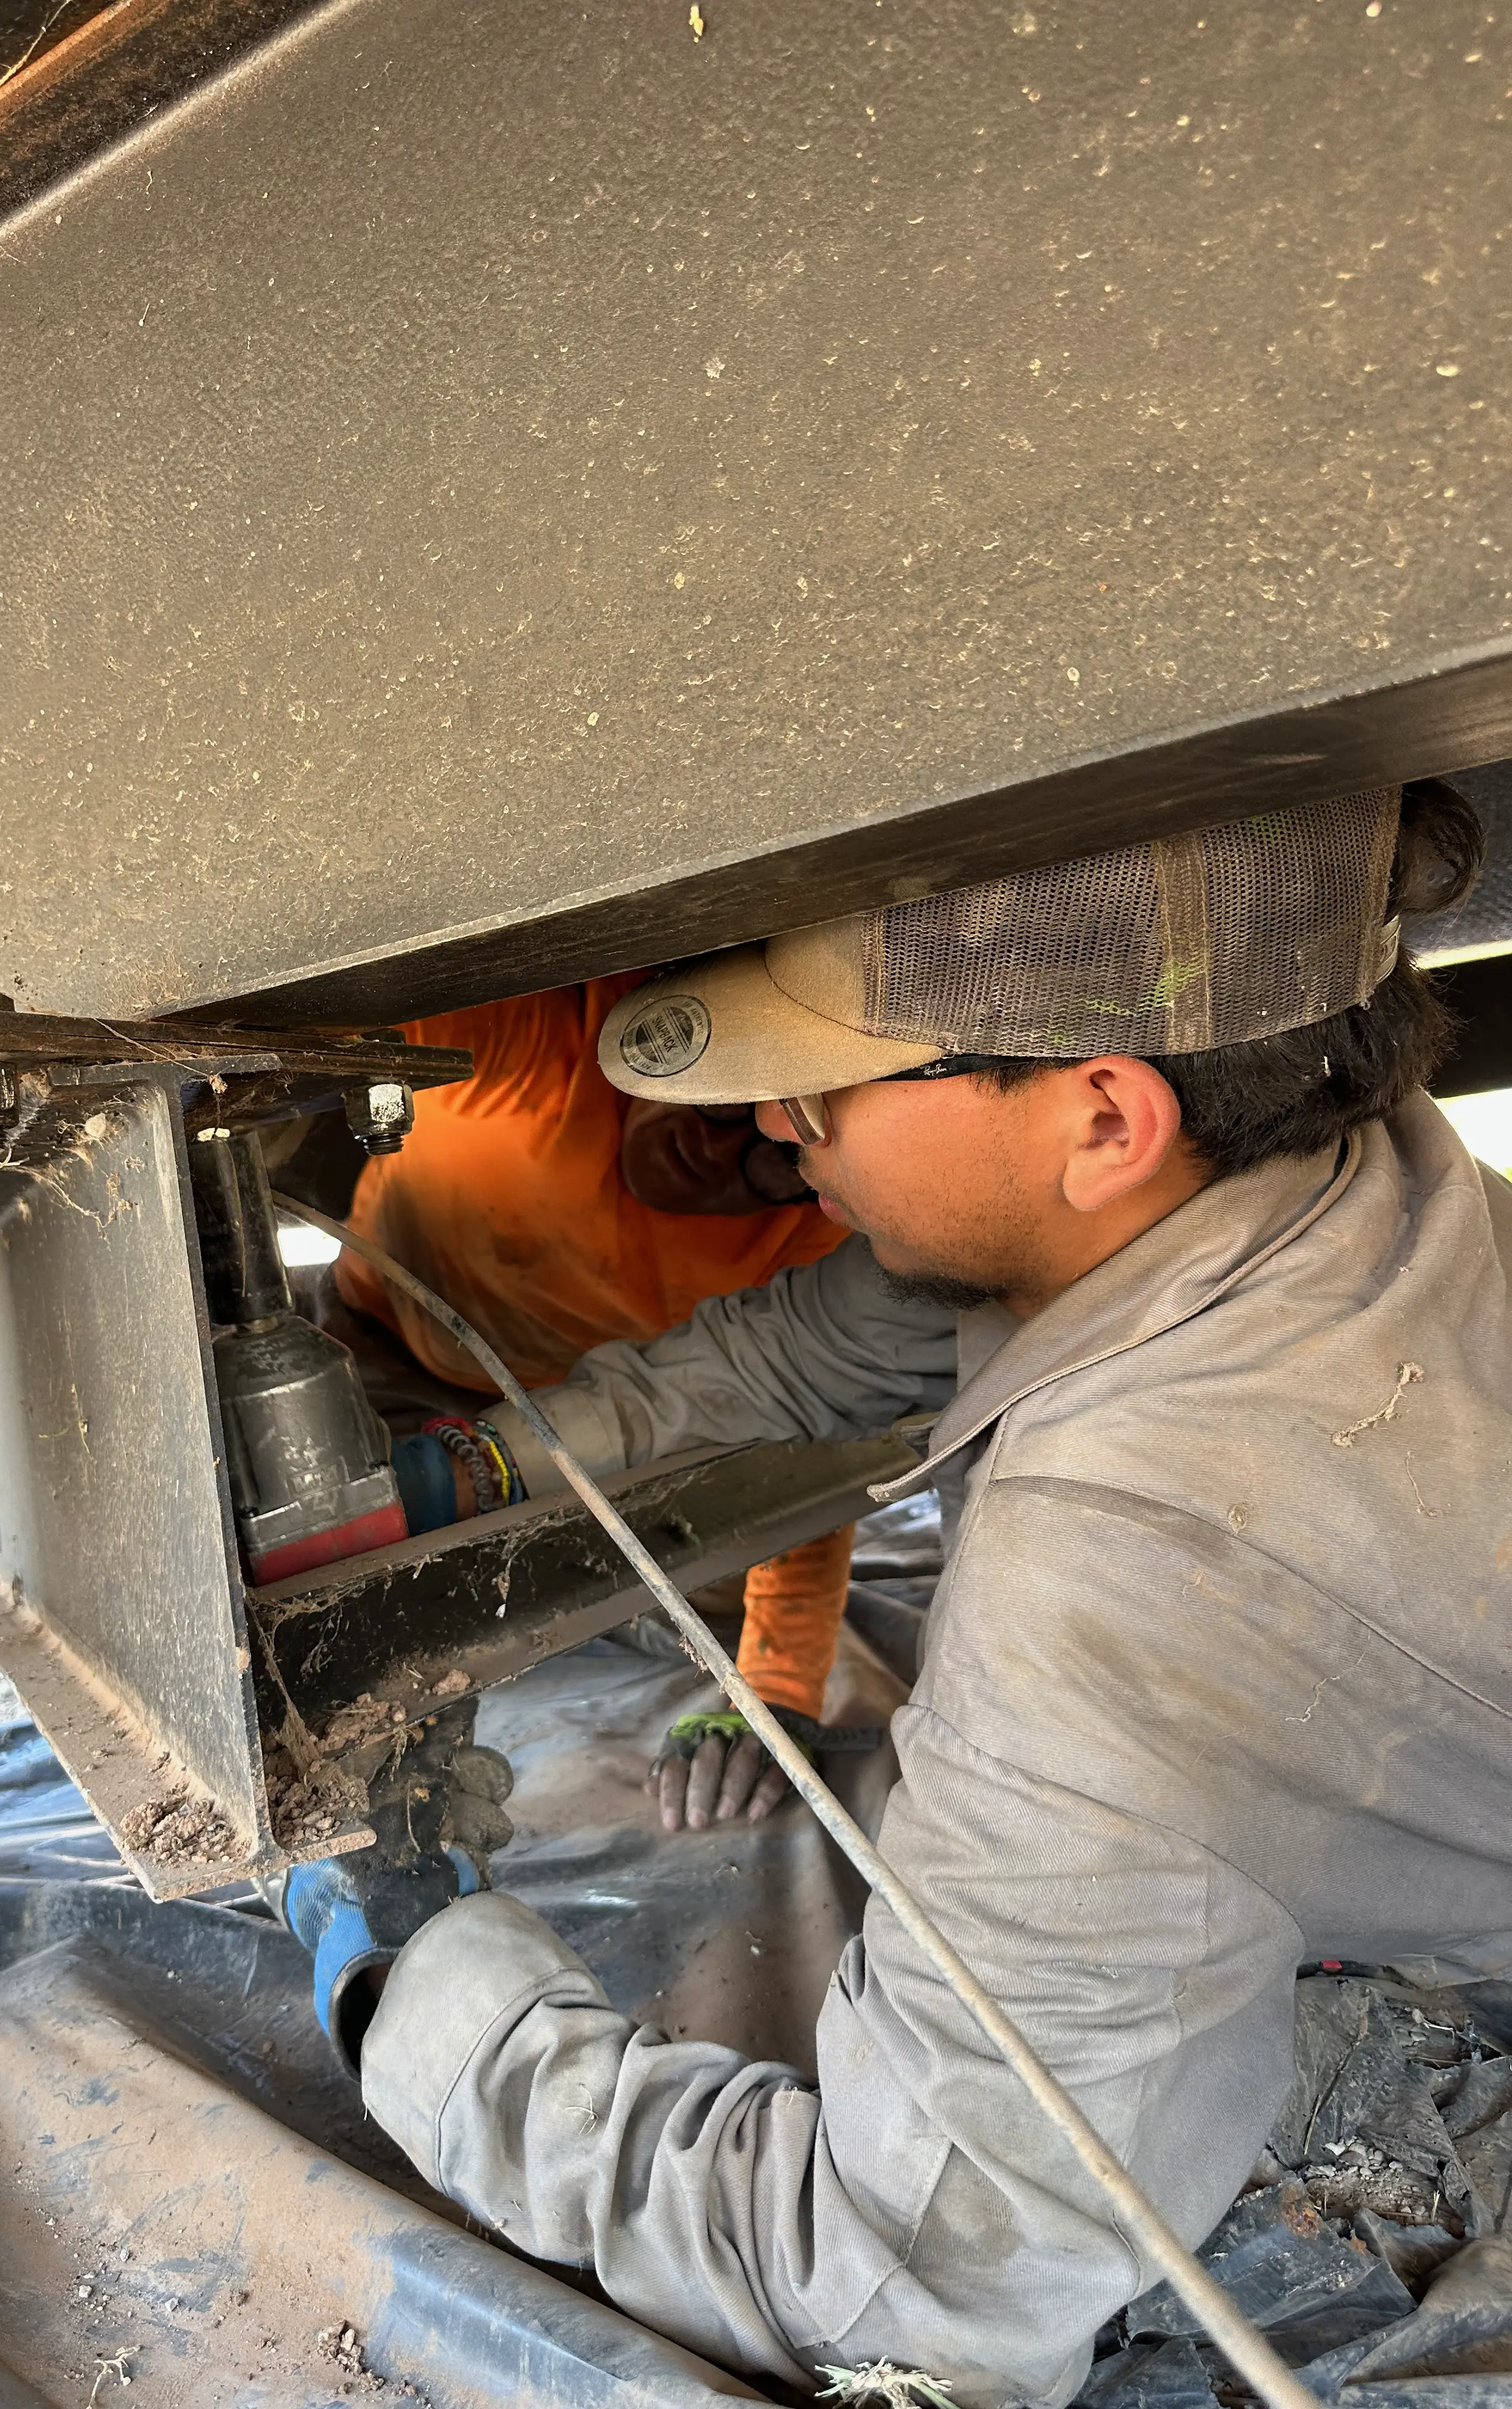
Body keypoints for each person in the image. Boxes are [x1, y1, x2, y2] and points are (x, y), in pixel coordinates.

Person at [279, 780, 1511, 2407]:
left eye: (827, 1091)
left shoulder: (1132, 1594)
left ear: (1101, 1115)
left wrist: (416, 1975)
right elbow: (808, 1347)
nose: (777, 1128)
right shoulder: (1313, 1182)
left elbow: (912, 2291)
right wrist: (486, 1476)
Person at [325, 976, 890, 1826]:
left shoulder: (821, 1240)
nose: (721, 1145)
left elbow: (807, 1457)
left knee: (724, 1582)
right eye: (713, 1099)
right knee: (329, 1599)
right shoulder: (547, 1040)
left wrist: (774, 1690)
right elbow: (355, 1005)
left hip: (624, 1432)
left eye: (777, 1147)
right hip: (399, 1362)